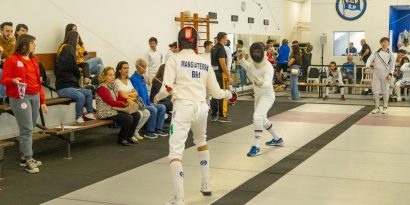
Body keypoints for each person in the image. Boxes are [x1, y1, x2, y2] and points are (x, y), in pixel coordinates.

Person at [161, 26, 234, 205]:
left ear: (179, 42)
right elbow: (216, 93)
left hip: (183, 108)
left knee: (175, 154)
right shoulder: (204, 61)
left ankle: (179, 199)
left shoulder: (174, 59)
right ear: (196, 43)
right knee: (201, 141)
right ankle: (206, 184)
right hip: (202, 109)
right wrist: (229, 94)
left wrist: (155, 97)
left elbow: (165, 89)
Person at [1, 34, 48, 173]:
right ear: (24, 44)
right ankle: (29, 159)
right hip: (20, 97)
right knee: (27, 129)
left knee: (29, 127)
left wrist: (43, 100)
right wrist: (13, 81)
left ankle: (23, 157)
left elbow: (38, 82)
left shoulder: (34, 60)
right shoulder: (12, 60)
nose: (35, 45)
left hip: (35, 96)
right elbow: (4, 79)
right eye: (33, 43)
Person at [237, 42, 284, 157]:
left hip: (267, 95)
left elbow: (267, 84)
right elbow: (249, 68)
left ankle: (256, 146)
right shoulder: (253, 63)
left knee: (257, 117)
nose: (256, 54)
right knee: (262, 120)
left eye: (258, 52)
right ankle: (277, 139)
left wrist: (261, 82)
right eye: (254, 52)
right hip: (258, 95)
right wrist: (242, 60)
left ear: (263, 52)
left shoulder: (268, 67)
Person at [55, 31, 96, 123]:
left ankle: (89, 112)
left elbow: (76, 74)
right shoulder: (64, 63)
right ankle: (78, 117)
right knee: (80, 96)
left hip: (73, 87)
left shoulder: (68, 62)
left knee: (88, 92)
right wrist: (75, 69)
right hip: (63, 88)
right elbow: (77, 74)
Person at [95, 66, 140, 146]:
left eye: (113, 75)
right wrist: (124, 104)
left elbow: (119, 97)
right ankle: (122, 138)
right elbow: (111, 102)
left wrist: (127, 99)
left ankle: (129, 136)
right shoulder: (102, 88)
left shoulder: (113, 85)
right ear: (105, 76)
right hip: (105, 112)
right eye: (109, 75)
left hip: (113, 109)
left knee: (136, 115)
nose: (112, 77)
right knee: (128, 118)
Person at [130, 58, 167, 139]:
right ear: (137, 67)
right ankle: (149, 131)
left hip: (146, 103)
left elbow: (146, 93)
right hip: (140, 104)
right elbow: (136, 96)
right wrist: (147, 105)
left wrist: (150, 103)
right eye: (143, 66)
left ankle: (158, 129)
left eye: (146, 66)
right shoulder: (133, 78)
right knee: (153, 109)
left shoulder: (142, 78)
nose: (145, 68)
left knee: (162, 107)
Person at [114, 61, 149, 141]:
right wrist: (130, 93)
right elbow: (122, 95)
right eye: (124, 68)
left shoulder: (128, 80)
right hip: (124, 104)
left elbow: (136, 93)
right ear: (119, 70)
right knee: (139, 114)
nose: (127, 70)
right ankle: (129, 134)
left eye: (128, 68)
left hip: (133, 103)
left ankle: (134, 132)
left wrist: (128, 93)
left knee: (146, 113)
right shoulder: (117, 81)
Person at [366, 37, 395, 114]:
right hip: (376, 74)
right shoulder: (376, 51)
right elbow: (369, 59)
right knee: (375, 92)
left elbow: (392, 65)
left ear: (388, 43)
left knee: (385, 91)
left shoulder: (391, 54)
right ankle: (377, 107)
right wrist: (367, 66)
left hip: (386, 75)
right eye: (382, 42)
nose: (383, 43)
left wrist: (390, 74)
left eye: (385, 42)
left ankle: (385, 107)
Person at [210, 32, 232, 122]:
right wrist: (229, 76)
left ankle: (214, 115)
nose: (227, 40)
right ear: (222, 39)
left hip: (214, 73)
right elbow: (223, 63)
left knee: (215, 93)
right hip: (221, 74)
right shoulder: (221, 48)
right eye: (226, 38)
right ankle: (222, 115)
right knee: (224, 93)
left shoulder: (214, 47)